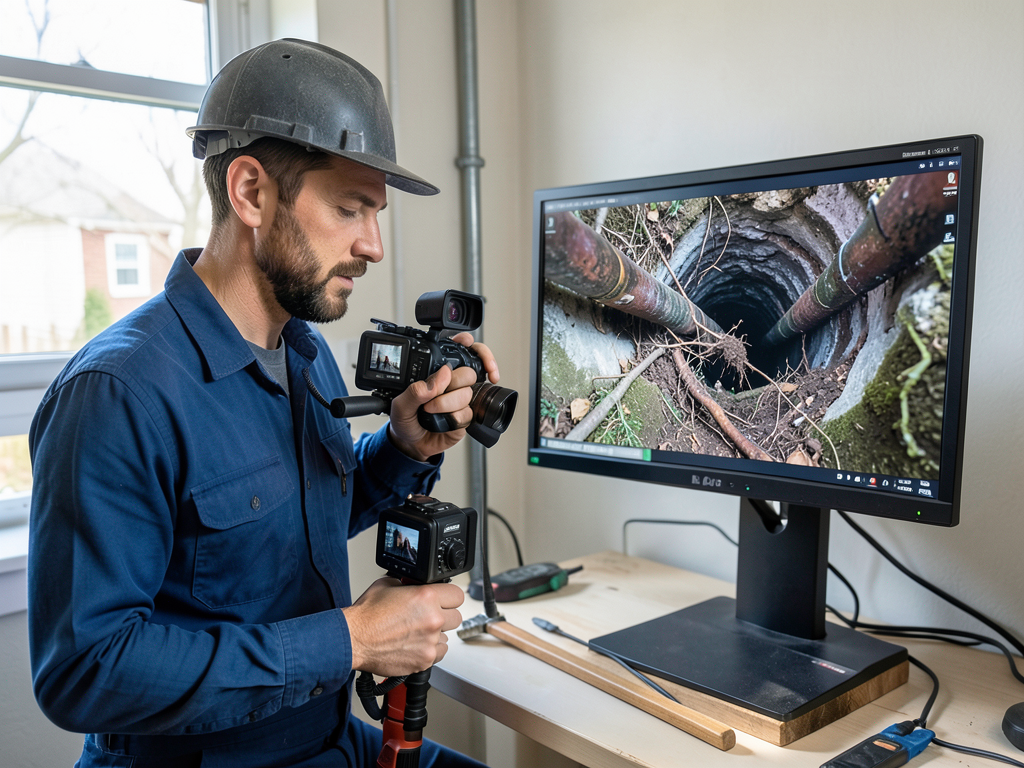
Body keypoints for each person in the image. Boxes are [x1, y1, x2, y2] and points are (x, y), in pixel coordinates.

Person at [28, 39, 494, 768]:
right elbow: (85, 670)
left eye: (375, 214)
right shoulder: (118, 395)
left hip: (329, 737)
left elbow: (286, 531)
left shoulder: (304, 354)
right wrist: (357, 639)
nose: (373, 245)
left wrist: (403, 449)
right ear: (250, 192)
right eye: (350, 208)